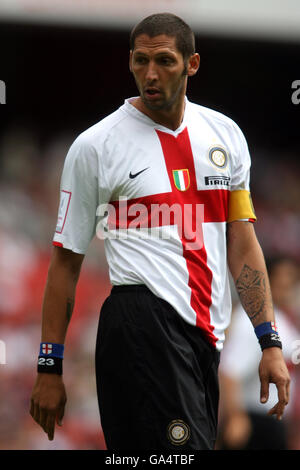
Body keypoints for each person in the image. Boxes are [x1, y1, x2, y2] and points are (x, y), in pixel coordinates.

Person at [30, 12, 290, 450]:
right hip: (141, 323)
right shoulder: (95, 146)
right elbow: (64, 261)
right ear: (129, 62)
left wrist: (270, 341)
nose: (150, 74)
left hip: (205, 336)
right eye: (140, 60)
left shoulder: (225, 136)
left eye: (165, 61)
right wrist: (49, 366)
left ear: (192, 64)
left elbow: (242, 241)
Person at [217, 256, 300, 450]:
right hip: (253, 419)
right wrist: (236, 416)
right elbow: (230, 370)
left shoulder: (284, 319)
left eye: (292, 280)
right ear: (267, 279)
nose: (287, 285)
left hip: (273, 421)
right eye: (282, 279)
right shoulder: (251, 321)